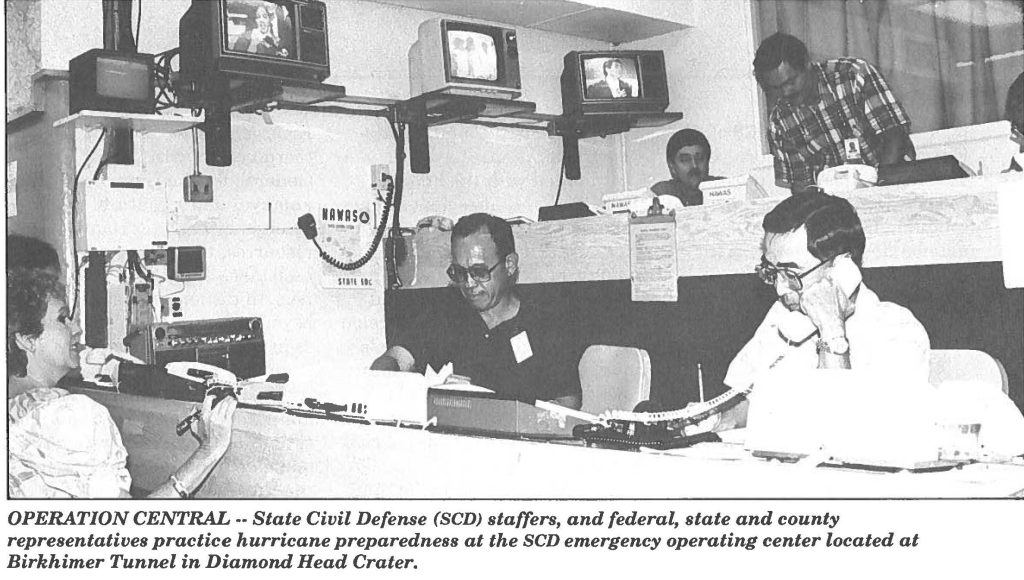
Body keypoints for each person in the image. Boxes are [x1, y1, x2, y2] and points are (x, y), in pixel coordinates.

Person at [705, 191, 930, 430]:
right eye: (772, 271)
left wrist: (832, 332)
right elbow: (752, 398)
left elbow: (846, 432)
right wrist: (720, 419)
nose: (781, 288)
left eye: (792, 274)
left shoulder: (898, 331)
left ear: (842, 266)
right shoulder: (784, 313)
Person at [7, 267, 237, 498]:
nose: (76, 329)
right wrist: (208, 451)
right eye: (62, 319)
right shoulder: (66, 414)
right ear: (28, 340)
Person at [371, 213, 583, 410]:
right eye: (460, 273)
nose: (469, 283)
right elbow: (395, 360)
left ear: (509, 265)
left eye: (479, 272)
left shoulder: (544, 325)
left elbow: (567, 402)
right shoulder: (445, 315)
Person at [754, 32, 916, 194]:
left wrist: (876, 192)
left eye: (790, 82)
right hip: (835, 208)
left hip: (890, 186)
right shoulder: (780, 122)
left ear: (806, 63)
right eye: (776, 88)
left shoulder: (853, 75)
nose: (786, 92)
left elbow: (895, 136)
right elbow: (801, 185)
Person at [650, 129, 723, 206]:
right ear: (672, 166)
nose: (694, 165)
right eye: (685, 160)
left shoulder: (722, 187)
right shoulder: (662, 193)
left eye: (700, 158)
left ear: (707, 162)